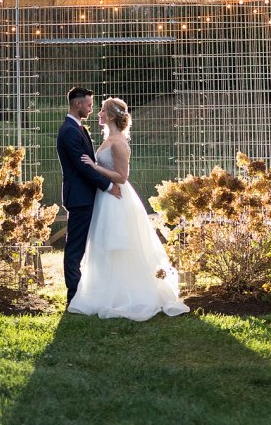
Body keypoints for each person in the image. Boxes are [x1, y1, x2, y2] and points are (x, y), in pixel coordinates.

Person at [68, 96, 190, 321]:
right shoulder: (108, 139)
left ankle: (126, 293)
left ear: (112, 116)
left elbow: (122, 177)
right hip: (105, 197)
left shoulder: (118, 143)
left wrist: (95, 167)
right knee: (104, 245)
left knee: (119, 245)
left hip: (117, 199)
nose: (99, 114)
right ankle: (106, 290)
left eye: (103, 110)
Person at [56, 86, 122, 303]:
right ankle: (73, 297)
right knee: (75, 247)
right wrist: (108, 186)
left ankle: (90, 291)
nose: (92, 109)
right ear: (78, 104)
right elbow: (84, 167)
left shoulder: (78, 128)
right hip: (80, 198)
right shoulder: (69, 131)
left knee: (88, 245)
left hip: (87, 196)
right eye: (89, 105)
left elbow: (90, 164)